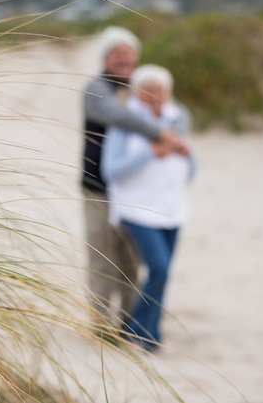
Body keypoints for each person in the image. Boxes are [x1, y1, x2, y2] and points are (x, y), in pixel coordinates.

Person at [81, 27, 188, 340]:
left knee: (130, 262)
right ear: (105, 57)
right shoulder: (96, 89)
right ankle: (100, 327)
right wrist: (160, 132)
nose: (123, 57)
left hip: (132, 193)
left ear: (136, 57)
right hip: (97, 188)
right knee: (101, 258)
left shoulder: (143, 88)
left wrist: (173, 126)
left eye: (128, 52)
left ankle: (128, 324)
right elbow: (119, 116)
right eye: (116, 52)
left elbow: (180, 114)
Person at [101, 64, 195, 352]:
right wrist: (150, 153)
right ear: (137, 92)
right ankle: (136, 332)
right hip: (137, 207)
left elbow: (189, 168)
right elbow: (111, 170)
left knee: (163, 274)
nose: (155, 97)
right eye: (148, 91)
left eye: (161, 91)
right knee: (158, 267)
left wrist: (187, 156)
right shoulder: (124, 123)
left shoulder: (177, 118)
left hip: (172, 208)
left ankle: (152, 335)